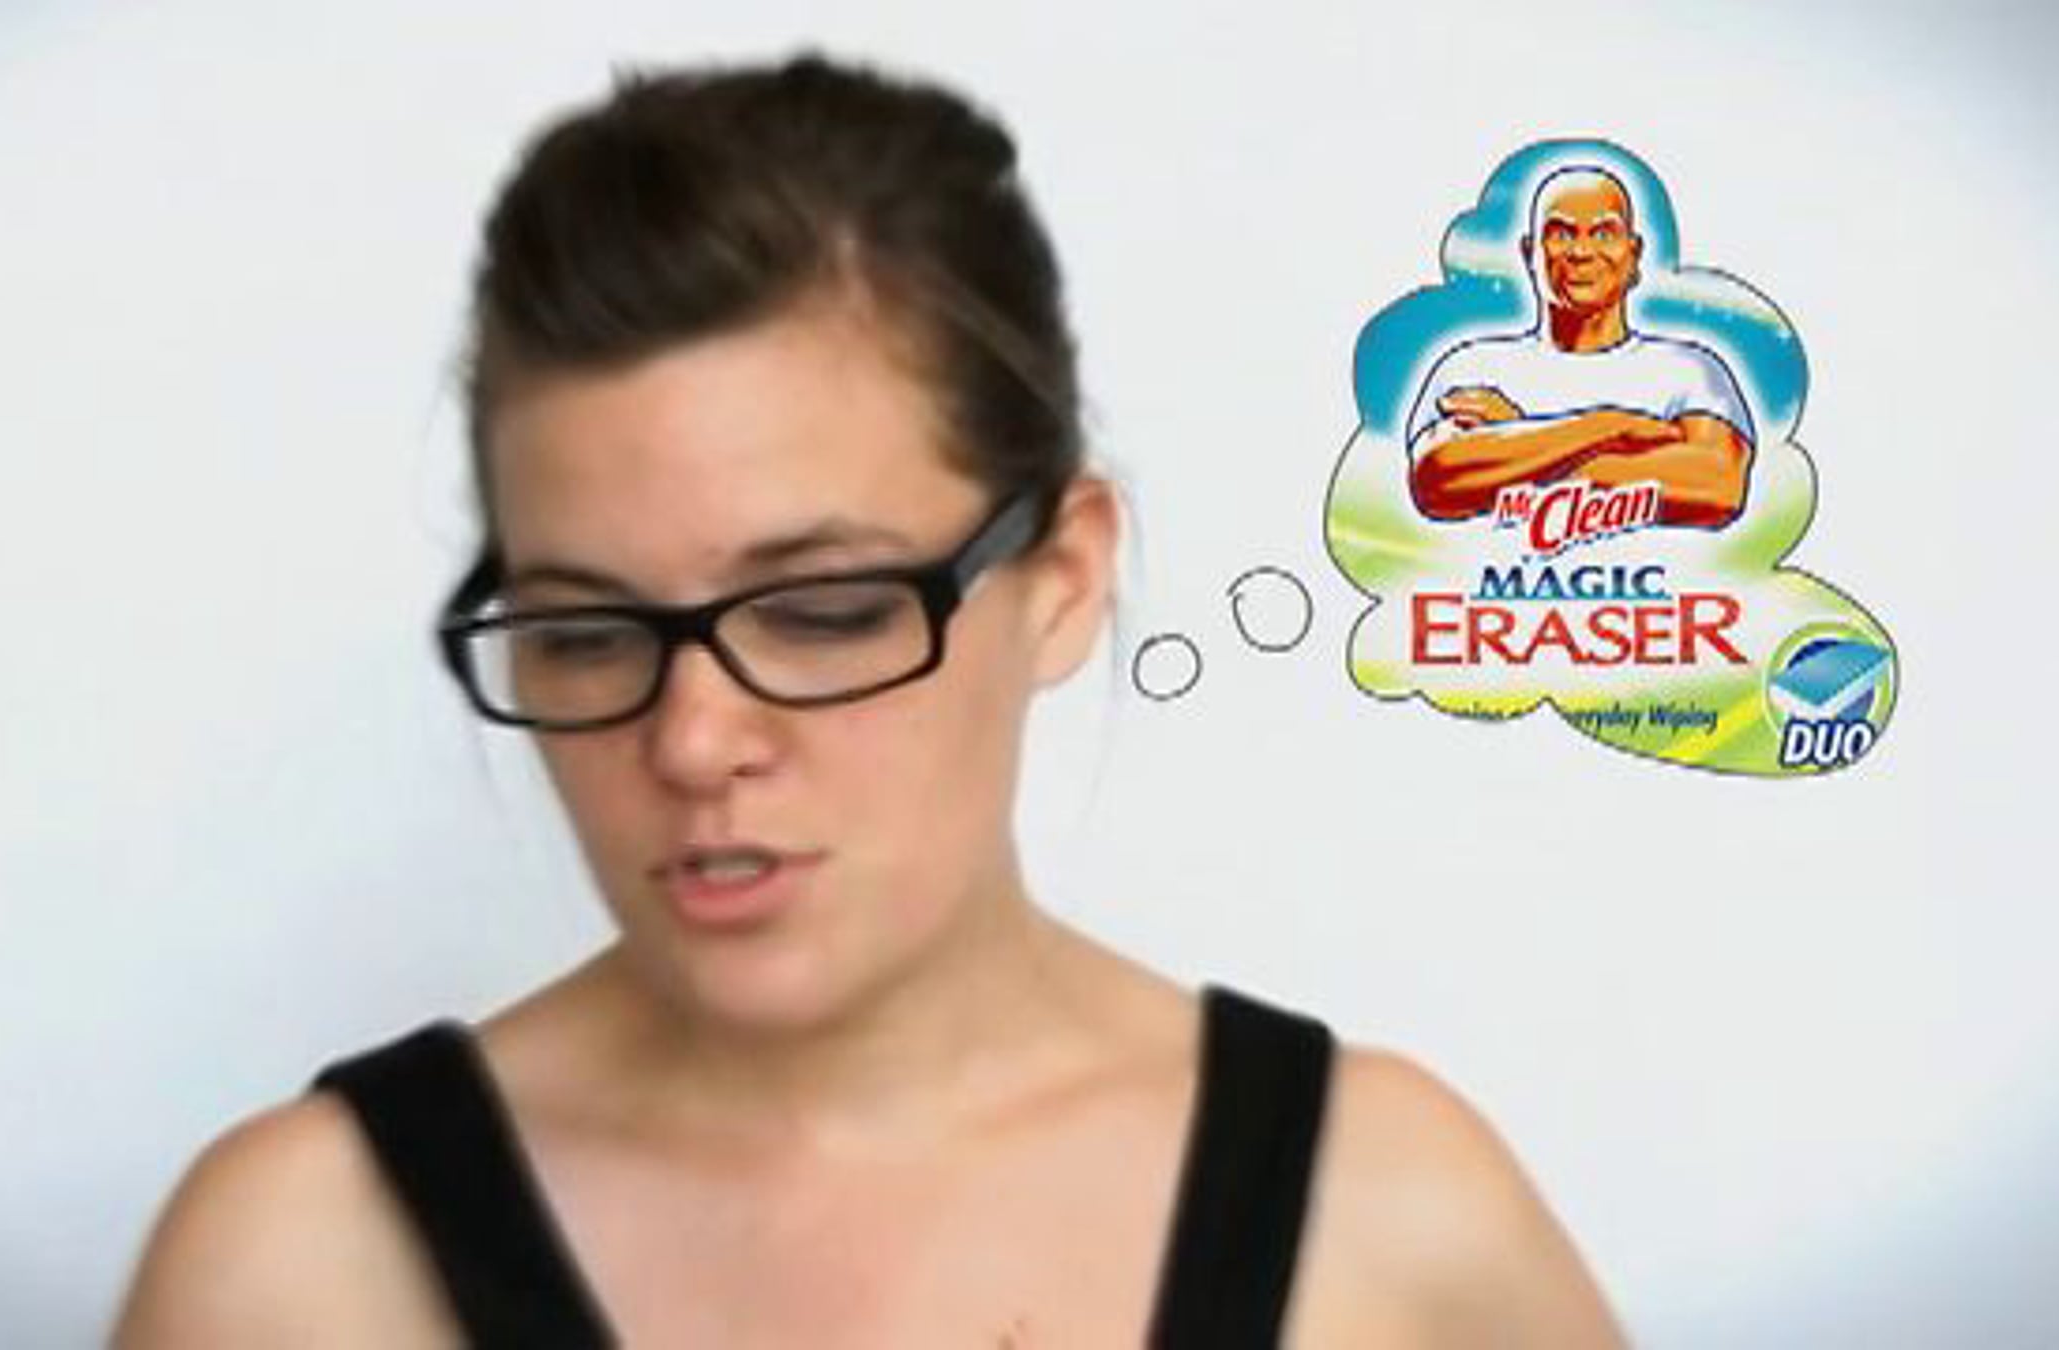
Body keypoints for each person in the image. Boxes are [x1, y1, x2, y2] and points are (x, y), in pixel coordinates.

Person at [114, 51, 1625, 1347]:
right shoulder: (295, 1265)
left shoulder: (1393, 1224)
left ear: (1064, 578)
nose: (693, 742)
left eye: (823, 611)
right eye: (584, 633)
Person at [1404, 165, 1756, 528]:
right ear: (1529, 253)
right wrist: (1611, 427)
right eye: (1561, 233)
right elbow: (1437, 482)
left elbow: (1717, 487)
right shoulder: (1471, 366)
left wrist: (1516, 436)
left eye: (1604, 234)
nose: (1582, 251)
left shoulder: (1690, 370)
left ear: (1633, 254)